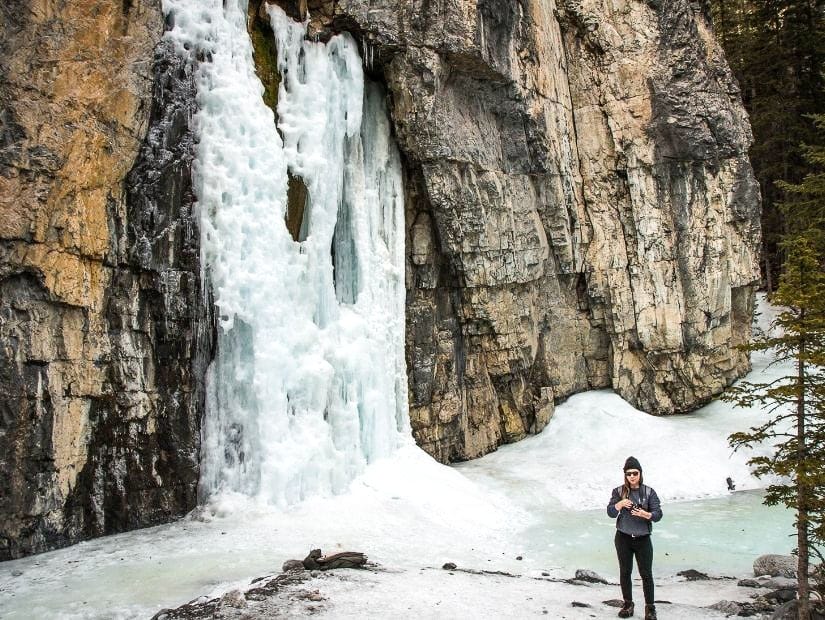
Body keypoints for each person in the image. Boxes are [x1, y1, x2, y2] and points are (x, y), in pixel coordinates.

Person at [607, 456, 663, 620]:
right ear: (625, 475)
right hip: (623, 537)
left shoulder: (649, 491)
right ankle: (628, 604)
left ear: (640, 473)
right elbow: (610, 512)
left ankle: (650, 608)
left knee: (646, 574)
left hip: (643, 539)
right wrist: (619, 504)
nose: (632, 476)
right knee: (625, 572)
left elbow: (658, 514)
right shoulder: (618, 492)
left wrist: (646, 514)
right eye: (628, 473)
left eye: (635, 473)